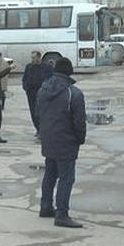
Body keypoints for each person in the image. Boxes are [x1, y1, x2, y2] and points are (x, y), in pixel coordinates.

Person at [35, 57, 86, 228]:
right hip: (66, 140)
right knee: (66, 178)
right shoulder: (74, 93)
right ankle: (62, 214)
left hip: (48, 138)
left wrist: (43, 132)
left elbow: (38, 114)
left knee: (50, 173)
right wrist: (80, 138)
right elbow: (79, 121)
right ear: (70, 72)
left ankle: (46, 206)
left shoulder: (43, 89)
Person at [22, 50, 53, 137]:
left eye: (34, 58)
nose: (32, 60)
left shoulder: (46, 66)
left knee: (42, 112)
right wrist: (25, 87)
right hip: (31, 92)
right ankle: (38, 129)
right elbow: (24, 78)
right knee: (33, 112)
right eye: (31, 58)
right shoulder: (29, 67)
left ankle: (42, 130)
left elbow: (51, 79)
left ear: (39, 57)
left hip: (42, 92)